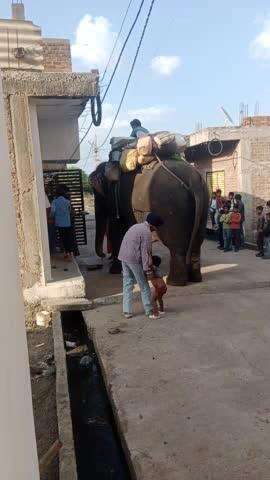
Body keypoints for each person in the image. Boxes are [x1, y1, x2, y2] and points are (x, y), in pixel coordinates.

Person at [118, 212, 164, 319]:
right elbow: (145, 253)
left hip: (123, 257)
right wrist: (147, 269)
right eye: (156, 228)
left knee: (127, 284)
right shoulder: (146, 233)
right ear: (153, 226)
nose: (155, 230)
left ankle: (127, 311)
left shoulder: (136, 226)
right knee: (144, 286)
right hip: (133, 259)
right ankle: (150, 311)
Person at [51, 185, 75, 260]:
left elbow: (52, 212)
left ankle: (66, 253)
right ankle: (70, 254)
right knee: (68, 238)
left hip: (59, 223)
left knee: (62, 238)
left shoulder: (54, 201)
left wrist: (51, 216)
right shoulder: (68, 202)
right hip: (67, 223)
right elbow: (70, 211)